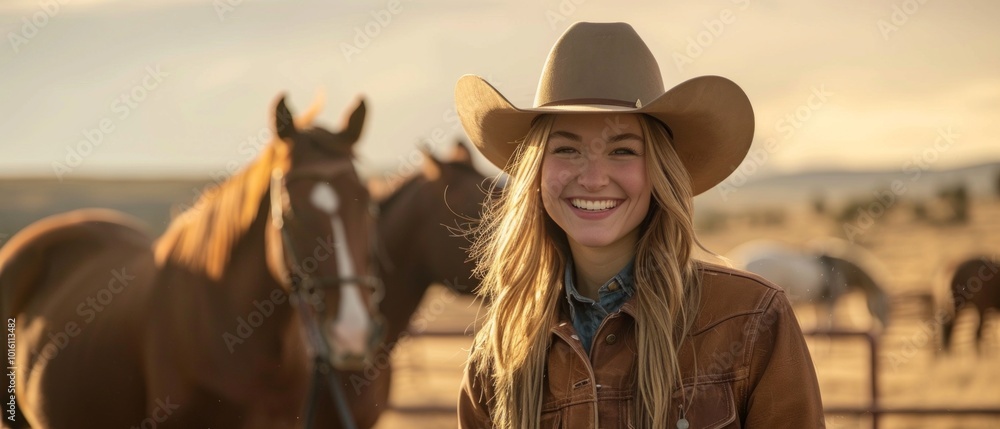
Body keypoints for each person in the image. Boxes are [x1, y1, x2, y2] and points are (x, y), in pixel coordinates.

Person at [453, 22, 825, 428]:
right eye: (566, 149)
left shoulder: (750, 319)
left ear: (658, 172)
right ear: (537, 170)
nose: (593, 178)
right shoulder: (500, 354)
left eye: (622, 150)